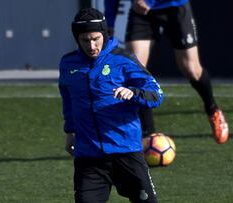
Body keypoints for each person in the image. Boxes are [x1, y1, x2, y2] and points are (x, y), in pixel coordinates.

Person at [58, 8, 164, 203]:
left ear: (104, 34)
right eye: (85, 40)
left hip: (126, 152)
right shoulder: (68, 64)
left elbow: (156, 95)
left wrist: (134, 93)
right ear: (77, 38)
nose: (91, 45)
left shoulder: (123, 60)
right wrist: (70, 132)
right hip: (88, 158)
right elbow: (68, 100)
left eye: (96, 38)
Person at [104, 0, 229, 144]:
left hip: (174, 6)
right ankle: (149, 136)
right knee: (135, 71)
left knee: (191, 69)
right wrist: (110, 21)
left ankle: (212, 109)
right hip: (141, 11)